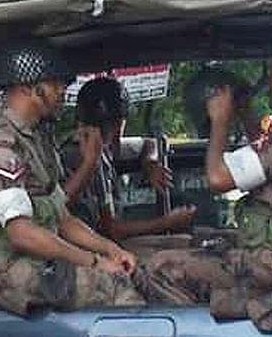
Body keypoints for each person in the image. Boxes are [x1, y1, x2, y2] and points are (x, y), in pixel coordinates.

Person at [140, 48, 272, 329]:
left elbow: (218, 179)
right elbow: (269, 162)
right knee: (199, 239)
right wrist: (246, 115)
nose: (269, 81)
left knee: (160, 268)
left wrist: (219, 120)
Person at [0, 42, 142, 315]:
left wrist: (111, 250)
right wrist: (95, 263)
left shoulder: (37, 142)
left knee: (131, 274)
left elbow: (63, 218)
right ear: (28, 87)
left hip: (27, 259)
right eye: (55, 83)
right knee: (114, 288)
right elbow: (21, 234)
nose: (63, 91)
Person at [61, 77, 197, 240]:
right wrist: (166, 223)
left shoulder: (106, 148)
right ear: (120, 123)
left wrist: (149, 163)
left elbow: (149, 144)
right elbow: (109, 229)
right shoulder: (79, 157)